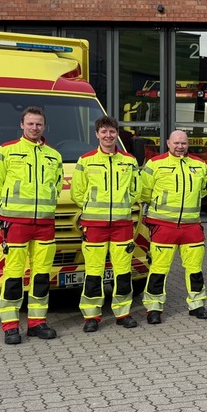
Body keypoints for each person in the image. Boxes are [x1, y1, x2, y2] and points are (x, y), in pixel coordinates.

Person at [0, 106, 63, 345]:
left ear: (44, 126)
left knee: (41, 276)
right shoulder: (7, 151)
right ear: (22, 125)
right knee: (13, 276)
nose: (34, 128)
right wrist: (7, 207)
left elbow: (57, 187)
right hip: (17, 223)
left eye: (38, 124)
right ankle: (10, 327)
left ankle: (37, 323)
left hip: (44, 223)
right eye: (30, 124)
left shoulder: (54, 155)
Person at [70, 115, 140, 333]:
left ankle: (123, 313)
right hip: (94, 225)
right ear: (96, 134)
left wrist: (125, 202)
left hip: (122, 224)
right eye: (104, 132)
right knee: (93, 272)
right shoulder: (86, 160)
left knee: (122, 272)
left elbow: (136, 189)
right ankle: (91, 316)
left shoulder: (129, 160)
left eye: (112, 132)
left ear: (117, 134)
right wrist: (92, 207)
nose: (108, 135)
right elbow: (77, 192)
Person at [137, 129, 207, 323]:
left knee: (195, 269)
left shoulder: (199, 164)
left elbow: (204, 190)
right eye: (176, 143)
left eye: (184, 143)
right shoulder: (154, 164)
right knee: (159, 270)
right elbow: (143, 192)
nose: (180, 147)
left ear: (188, 144)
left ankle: (197, 305)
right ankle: (154, 308)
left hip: (191, 227)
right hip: (163, 227)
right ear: (168, 143)